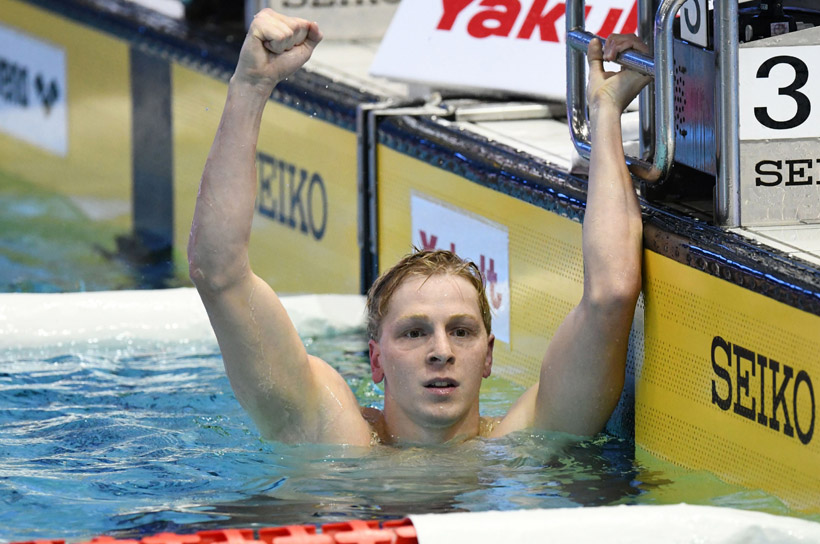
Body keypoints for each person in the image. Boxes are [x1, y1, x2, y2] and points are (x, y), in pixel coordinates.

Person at [187, 8, 650, 446]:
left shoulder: (526, 439)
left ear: (488, 356)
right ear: (375, 359)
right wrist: (249, 84)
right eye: (413, 332)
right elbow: (218, 273)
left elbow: (611, 294)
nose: (441, 351)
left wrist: (605, 112)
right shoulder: (336, 435)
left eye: (462, 331)